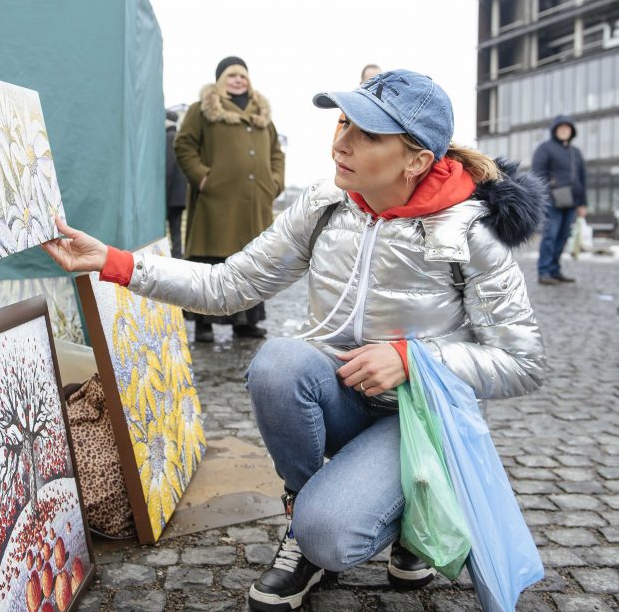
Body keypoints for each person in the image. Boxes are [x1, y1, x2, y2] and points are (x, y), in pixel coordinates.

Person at [42, 69, 547, 611]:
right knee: (278, 362)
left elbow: (522, 363)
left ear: (417, 160)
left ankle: (410, 520)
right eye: (344, 122)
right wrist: (113, 262)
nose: (341, 142)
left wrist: (411, 359)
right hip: (341, 397)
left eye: (368, 135)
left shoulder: (472, 233)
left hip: (417, 419)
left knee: (331, 533)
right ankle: (300, 526)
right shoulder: (325, 205)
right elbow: (229, 283)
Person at [174, 56, 285, 342]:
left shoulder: (261, 114)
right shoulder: (202, 110)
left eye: (243, 75)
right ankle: (203, 324)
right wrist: (203, 177)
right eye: (232, 75)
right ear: (220, 80)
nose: (238, 80)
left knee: (249, 262)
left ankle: (244, 323)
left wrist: (274, 183)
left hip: (255, 203)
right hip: (216, 202)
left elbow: (276, 152)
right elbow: (184, 145)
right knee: (211, 264)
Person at [532, 115, 588, 285]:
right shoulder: (545, 148)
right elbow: (538, 174)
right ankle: (544, 272)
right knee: (550, 236)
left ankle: (555, 271)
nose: (564, 131)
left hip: (572, 202)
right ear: (555, 130)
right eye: (561, 128)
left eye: (567, 128)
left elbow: (582, 178)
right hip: (552, 202)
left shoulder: (575, 152)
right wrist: (551, 189)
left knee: (563, 237)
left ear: (572, 131)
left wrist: (583, 203)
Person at [165, 110, 188, 258]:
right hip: (180, 196)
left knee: (166, 230)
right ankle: (177, 257)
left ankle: (169, 257)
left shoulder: (169, 137)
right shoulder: (179, 138)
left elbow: (169, 168)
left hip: (170, 195)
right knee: (176, 230)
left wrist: (164, 195)